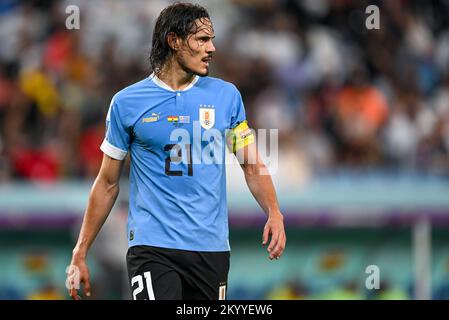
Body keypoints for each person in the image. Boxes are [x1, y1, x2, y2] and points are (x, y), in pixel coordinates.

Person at [67, 2, 286, 300]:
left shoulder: (227, 97)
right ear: (174, 41)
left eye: (212, 39)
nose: (212, 48)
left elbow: (251, 164)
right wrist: (81, 249)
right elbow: (107, 182)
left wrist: (274, 211)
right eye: (202, 39)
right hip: (152, 246)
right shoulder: (127, 103)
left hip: (211, 247)